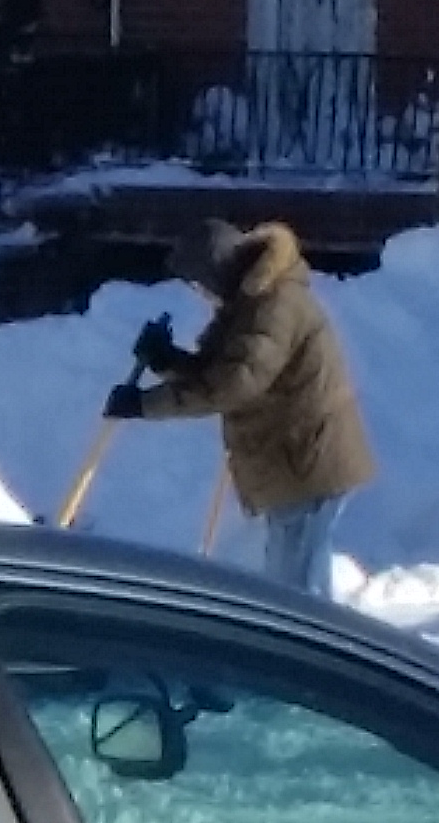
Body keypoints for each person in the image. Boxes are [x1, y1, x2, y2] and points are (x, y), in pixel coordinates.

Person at [112, 218, 373, 599]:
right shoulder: (251, 303)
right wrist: (166, 360)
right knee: (291, 577)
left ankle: (307, 653)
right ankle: (298, 648)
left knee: (297, 587)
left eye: (198, 283)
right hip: (295, 458)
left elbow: (235, 385)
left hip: (308, 459)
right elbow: (223, 368)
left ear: (216, 272)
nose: (199, 294)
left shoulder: (274, 305)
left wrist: (144, 405)